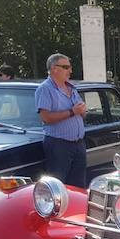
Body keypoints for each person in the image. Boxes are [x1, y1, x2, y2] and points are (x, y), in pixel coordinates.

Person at [34, 54, 87, 187]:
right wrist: (72, 112)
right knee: (58, 187)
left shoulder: (71, 88)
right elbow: (45, 117)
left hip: (78, 144)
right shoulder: (45, 89)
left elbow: (81, 112)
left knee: (78, 186)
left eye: (70, 67)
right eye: (66, 67)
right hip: (59, 145)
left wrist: (82, 111)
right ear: (54, 69)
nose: (70, 71)